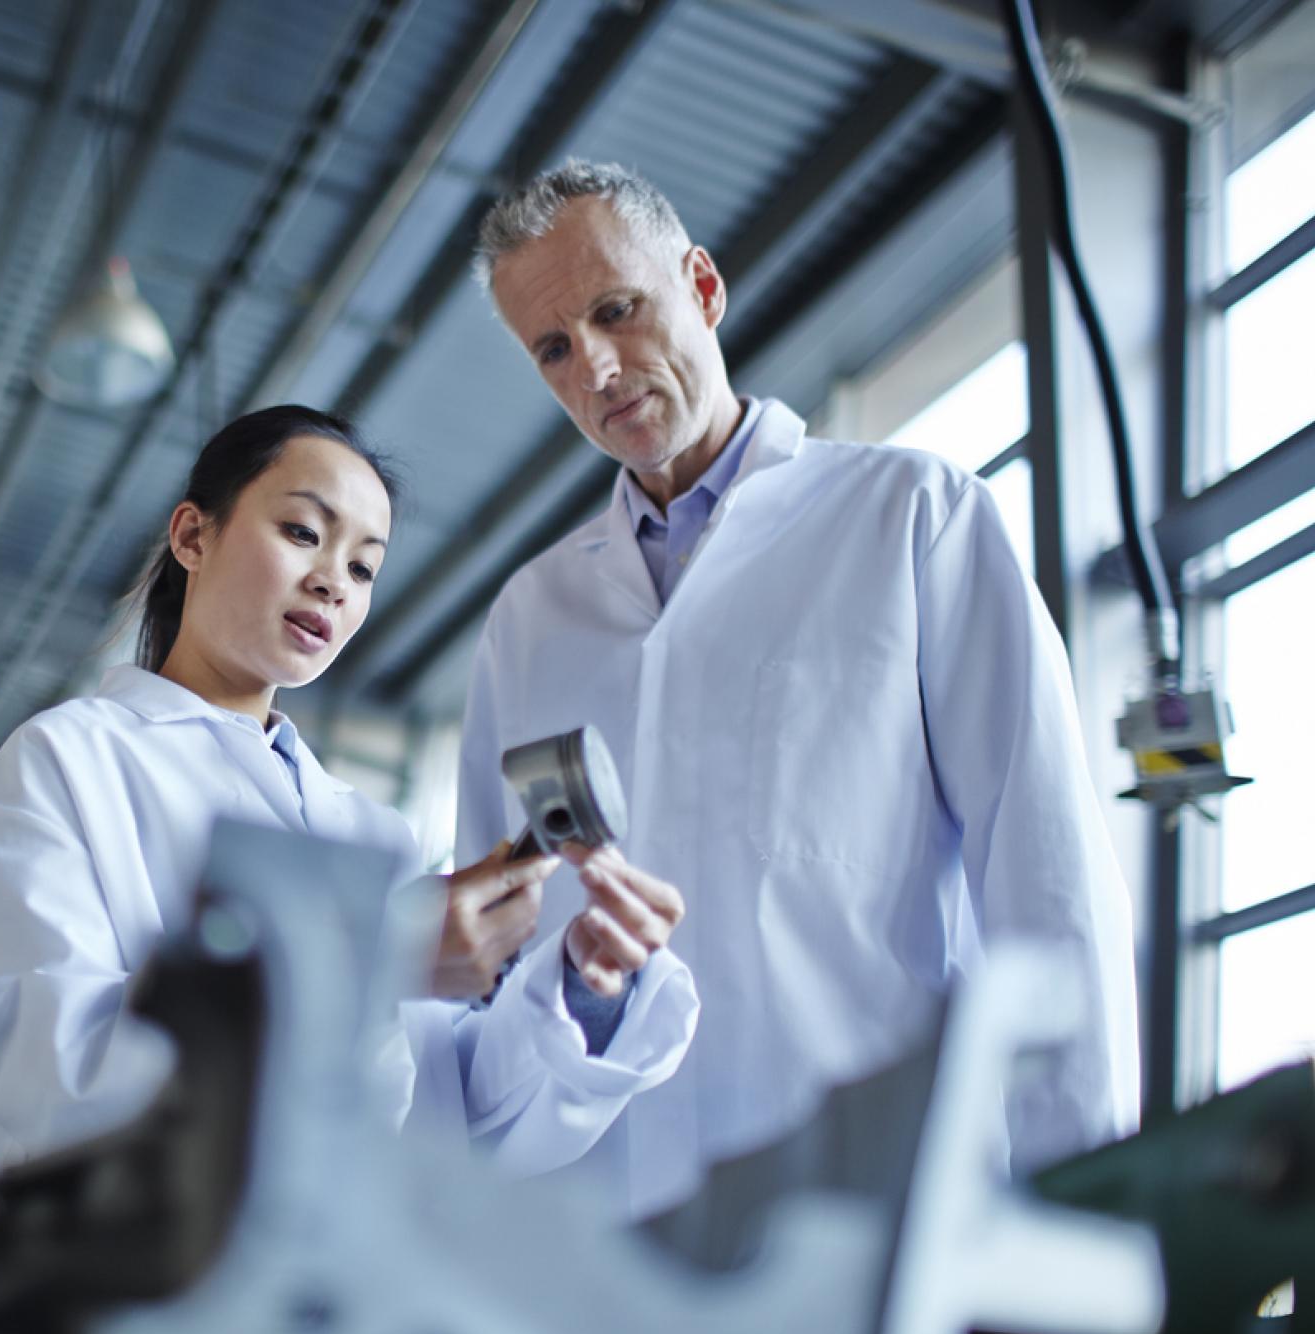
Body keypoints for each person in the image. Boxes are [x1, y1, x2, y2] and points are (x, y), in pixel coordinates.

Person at [456, 160, 1140, 1218]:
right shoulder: (530, 617)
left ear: (702, 286)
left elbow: (1044, 881)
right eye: (552, 347)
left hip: (863, 1204)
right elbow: (490, 948)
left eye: (616, 310)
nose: (593, 367)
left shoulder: (914, 520)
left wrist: (1084, 1212)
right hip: (596, 1231)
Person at [0, 404, 698, 1186]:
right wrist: (369, 960)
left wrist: (586, 991)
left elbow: (442, 1114)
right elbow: (50, 1065)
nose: (332, 581)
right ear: (193, 536)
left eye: (363, 568)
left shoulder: (371, 832)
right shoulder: (71, 760)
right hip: (125, 1282)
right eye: (302, 533)